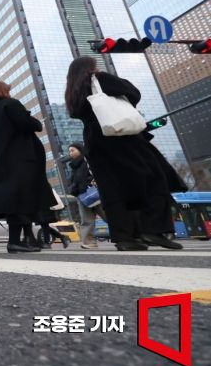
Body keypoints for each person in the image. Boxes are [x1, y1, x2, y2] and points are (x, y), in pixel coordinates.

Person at [64, 56, 183, 251]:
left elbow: (75, 113)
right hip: (121, 136)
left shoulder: (72, 92)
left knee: (112, 189)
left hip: (95, 141)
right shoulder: (99, 79)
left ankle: (124, 237)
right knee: (154, 177)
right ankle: (154, 229)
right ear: (90, 67)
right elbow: (133, 92)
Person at [0, 81, 56, 253]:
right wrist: (31, 119)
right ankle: (22, 240)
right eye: (8, 90)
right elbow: (31, 125)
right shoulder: (10, 104)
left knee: (14, 203)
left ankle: (18, 240)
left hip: (0, 164)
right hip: (20, 160)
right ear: (3, 92)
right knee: (25, 199)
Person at [67, 142, 105, 249]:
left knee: (108, 215)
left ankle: (125, 235)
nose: (71, 153)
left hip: (95, 192)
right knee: (86, 220)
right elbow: (74, 180)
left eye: (73, 150)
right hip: (82, 196)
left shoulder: (88, 159)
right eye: (69, 151)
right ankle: (89, 242)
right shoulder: (74, 165)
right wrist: (73, 189)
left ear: (80, 150)